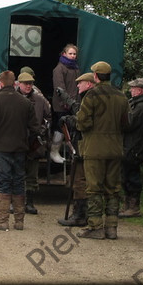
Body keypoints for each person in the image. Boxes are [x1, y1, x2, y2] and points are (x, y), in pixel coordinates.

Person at [76, 61, 129, 239]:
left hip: (94, 149)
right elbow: (126, 124)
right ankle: (112, 227)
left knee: (94, 188)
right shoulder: (121, 96)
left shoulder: (91, 95)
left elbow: (83, 122)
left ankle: (96, 227)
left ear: (96, 76)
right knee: (113, 188)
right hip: (115, 148)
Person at [0, 70, 38, 231]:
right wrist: (26, 142)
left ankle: (2, 221)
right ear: (15, 84)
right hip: (20, 149)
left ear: (0, 83)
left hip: (0, 149)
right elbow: (35, 128)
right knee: (19, 182)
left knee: (4, 182)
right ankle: (19, 221)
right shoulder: (25, 103)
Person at [57, 72, 96, 227]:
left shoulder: (90, 98)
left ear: (89, 84)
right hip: (88, 145)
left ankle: (80, 215)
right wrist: (65, 96)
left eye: (81, 83)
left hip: (85, 145)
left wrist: (69, 120)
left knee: (79, 180)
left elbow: (83, 121)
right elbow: (76, 108)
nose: (78, 85)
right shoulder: (90, 97)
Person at [16, 71, 51, 215]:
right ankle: (16, 203)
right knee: (16, 174)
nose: (29, 86)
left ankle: (29, 203)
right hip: (16, 142)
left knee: (32, 175)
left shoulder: (40, 100)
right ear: (19, 84)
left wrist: (41, 131)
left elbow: (48, 117)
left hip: (34, 143)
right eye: (26, 83)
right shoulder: (12, 98)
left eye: (31, 83)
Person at [119, 78, 143, 218]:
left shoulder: (142, 106)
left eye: (133, 88)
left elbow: (130, 123)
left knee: (132, 176)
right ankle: (128, 206)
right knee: (126, 175)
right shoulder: (139, 103)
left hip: (135, 146)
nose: (131, 90)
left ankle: (133, 207)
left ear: (140, 90)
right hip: (132, 145)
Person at [51, 44, 80, 162]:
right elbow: (59, 88)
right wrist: (67, 102)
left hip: (74, 104)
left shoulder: (76, 69)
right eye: (70, 53)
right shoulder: (59, 69)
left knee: (73, 129)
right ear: (64, 54)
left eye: (74, 54)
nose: (72, 56)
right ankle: (54, 151)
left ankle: (72, 152)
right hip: (62, 105)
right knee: (60, 128)